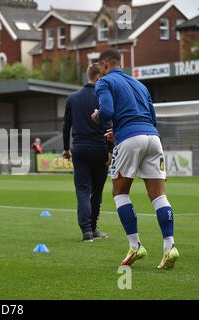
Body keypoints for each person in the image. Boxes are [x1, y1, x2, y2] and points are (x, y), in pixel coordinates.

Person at [92, 49, 179, 269]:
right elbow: (152, 117)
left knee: (119, 192)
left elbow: (107, 111)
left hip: (130, 139)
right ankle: (170, 247)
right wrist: (121, 131)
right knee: (159, 195)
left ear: (104, 64)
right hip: (152, 137)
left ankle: (135, 245)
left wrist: (98, 117)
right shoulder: (140, 85)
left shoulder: (104, 82)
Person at [62, 64, 112, 242]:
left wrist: (66, 148)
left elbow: (66, 125)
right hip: (99, 147)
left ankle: (86, 231)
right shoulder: (102, 96)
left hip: (79, 148)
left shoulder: (72, 98)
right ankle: (93, 227)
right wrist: (110, 150)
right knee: (97, 190)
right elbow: (107, 123)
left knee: (83, 190)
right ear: (98, 76)